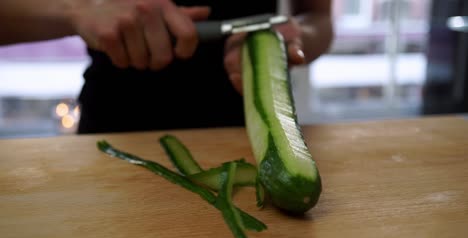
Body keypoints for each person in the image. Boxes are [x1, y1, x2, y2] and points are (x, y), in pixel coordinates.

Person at [0, 0, 333, 134]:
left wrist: (298, 35)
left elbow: (319, 17)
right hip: (117, 129)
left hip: (245, 127)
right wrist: (76, 10)